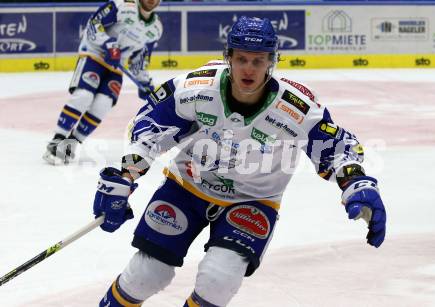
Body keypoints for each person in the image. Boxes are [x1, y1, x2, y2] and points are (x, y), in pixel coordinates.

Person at [92, 16, 387, 307]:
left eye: (258, 61)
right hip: (186, 187)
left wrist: (356, 182)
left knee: (218, 281)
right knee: (146, 274)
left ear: (271, 62)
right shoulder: (195, 88)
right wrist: (126, 175)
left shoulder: (297, 106)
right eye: (242, 59)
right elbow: (149, 126)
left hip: (254, 200)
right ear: (228, 58)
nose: (249, 68)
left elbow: (334, 146)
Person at [43, 0, 163, 165]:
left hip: (115, 68)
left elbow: (140, 62)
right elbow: (94, 24)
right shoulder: (121, 5)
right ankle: (56, 140)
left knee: (103, 105)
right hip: (94, 56)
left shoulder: (156, 28)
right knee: (83, 96)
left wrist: (145, 83)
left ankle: (71, 144)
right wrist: (108, 44)